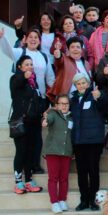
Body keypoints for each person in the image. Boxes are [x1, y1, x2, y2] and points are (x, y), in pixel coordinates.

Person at [0, 28, 54, 174]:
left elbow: (50, 77)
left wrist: (54, 96)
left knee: (36, 137)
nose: (33, 39)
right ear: (26, 39)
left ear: (39, 40)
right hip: (24, 104)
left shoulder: (44, 56)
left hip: (39, 99)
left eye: (36, 37)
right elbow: (7, 50)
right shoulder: (21, 52)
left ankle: (34, 165)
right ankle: (23, 167)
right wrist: (2, 38)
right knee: (25, 139)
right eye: (30, 37)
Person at [70, 73, 108, 211]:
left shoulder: (95, 95)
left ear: (88, 83)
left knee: (93, 171)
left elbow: (105, 106)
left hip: (94, 141)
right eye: (78, 83)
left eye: (83, 83)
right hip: (79, 142)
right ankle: (84, 200)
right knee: (81, 172)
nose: (81, 86)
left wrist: (100, 97)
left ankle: (93, 201)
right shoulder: (73, 100)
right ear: (75, 86)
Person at [10, 55, 45, 194]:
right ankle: (18, 182)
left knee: (31, 152)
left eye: (31, 64)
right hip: (21, 123)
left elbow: (36, 102)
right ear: (20, 67)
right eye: (26, 64)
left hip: (34, 123)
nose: (30, 66)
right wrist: (23, 76)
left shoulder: (33, 83)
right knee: (21, 152)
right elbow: (17, 84)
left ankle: (29, 180)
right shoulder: (16, 79)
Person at [41, 95, 73, 213]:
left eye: (66, 104)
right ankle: (54, 202)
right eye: (61, 103)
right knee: (53, 178)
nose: (64, 106)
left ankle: (62, 200)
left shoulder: (71, 118)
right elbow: (48, 120)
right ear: (57, 105)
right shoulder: (53, 114)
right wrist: (45, 121)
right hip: (53, 151)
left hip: (66, 151)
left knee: (64, 178)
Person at [48, 36, 92, 103]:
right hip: (67, 101)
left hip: (84, 99)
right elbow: (59, 60)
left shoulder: (86, 63)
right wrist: (58, 54)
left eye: (78, 47)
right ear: (68, 50)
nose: (75, 49)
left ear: (81, 50)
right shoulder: (64, 60)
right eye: (72, 47)